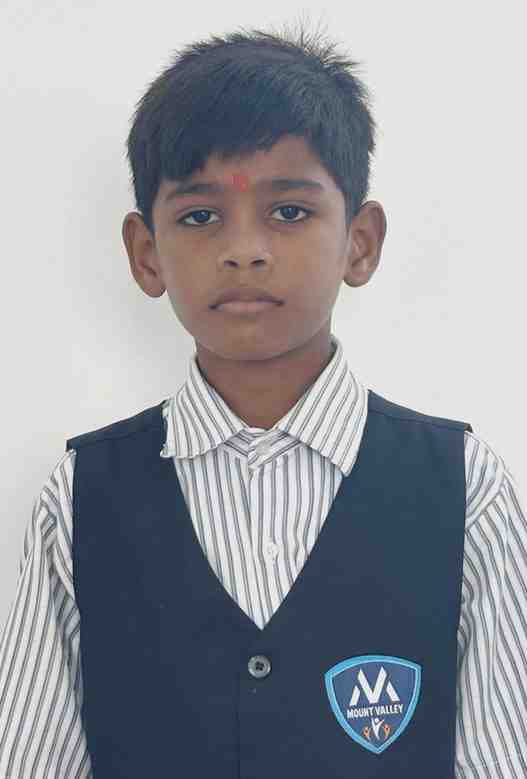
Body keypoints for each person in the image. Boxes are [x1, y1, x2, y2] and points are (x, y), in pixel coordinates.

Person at [1, 17, 526, 779]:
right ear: (146, 255)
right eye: (199, 216)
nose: (243, 249)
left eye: (288, 211)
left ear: (360, 242)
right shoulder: (80, 496)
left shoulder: (464, 486)